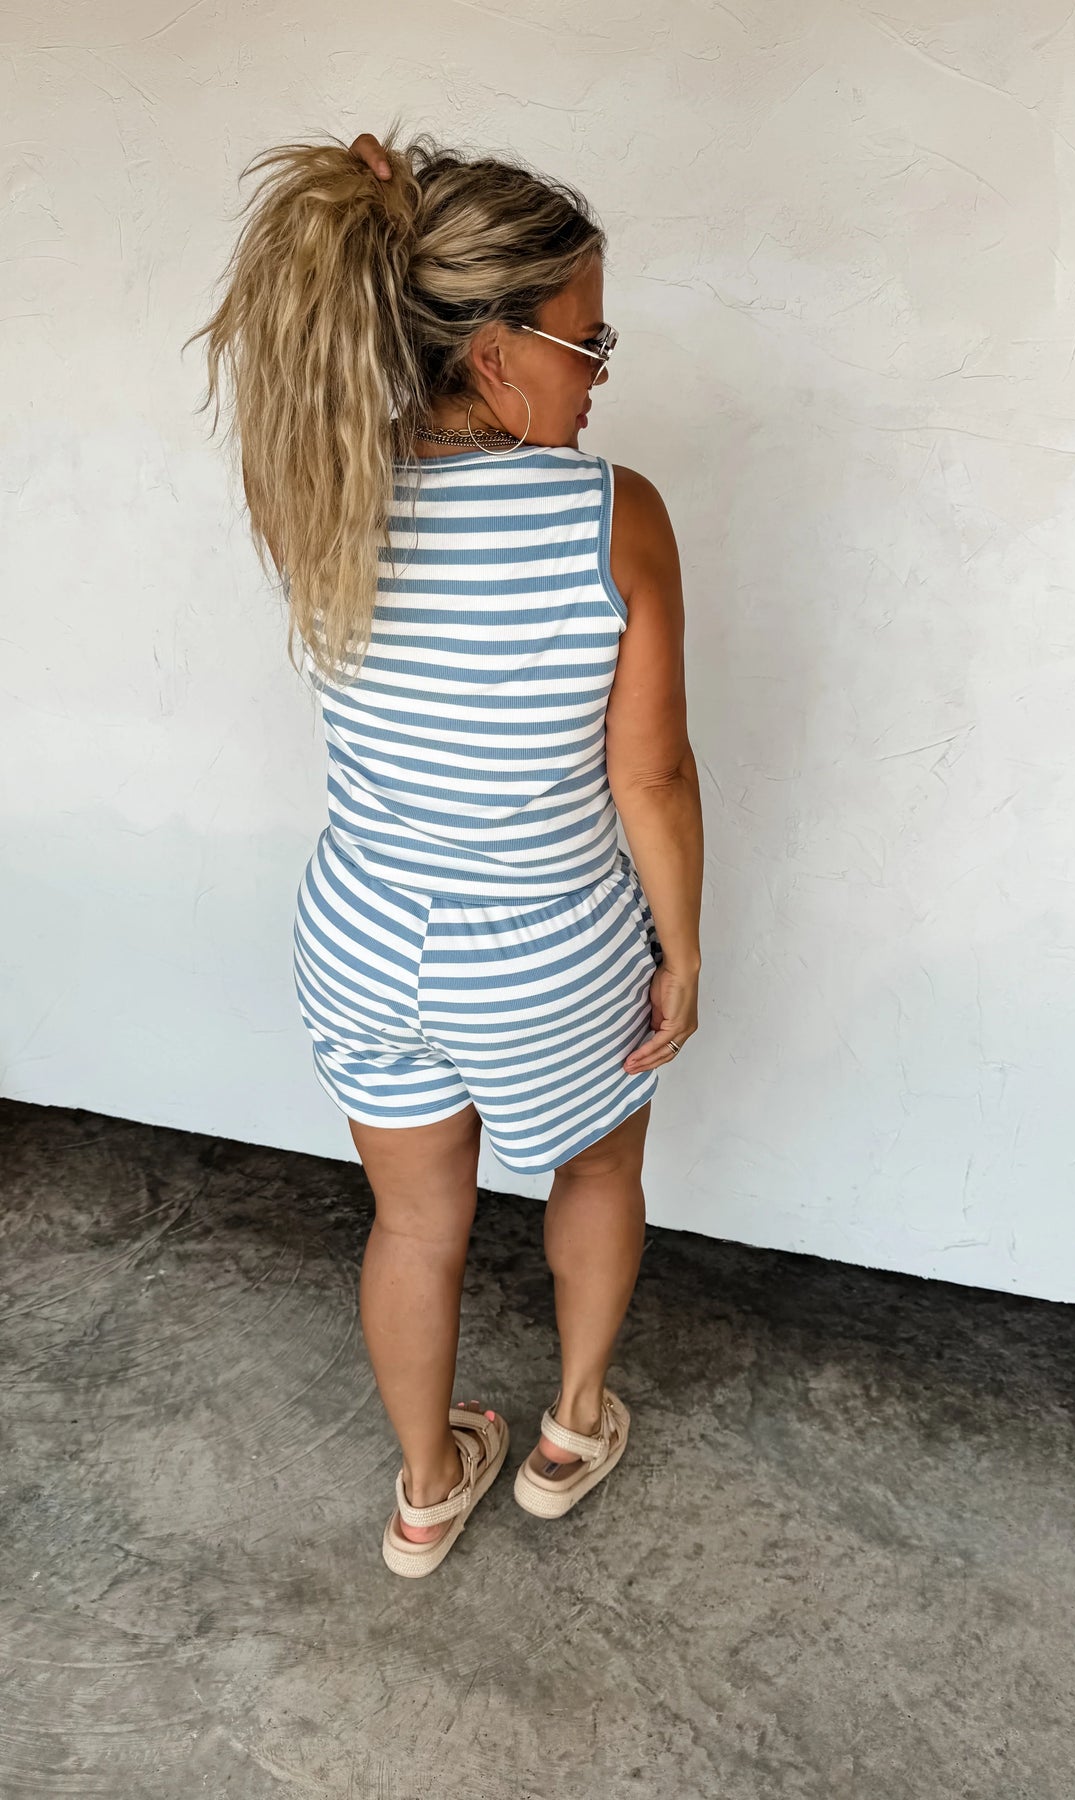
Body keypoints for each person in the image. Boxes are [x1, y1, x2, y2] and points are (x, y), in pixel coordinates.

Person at [187, 123, 703, 1577]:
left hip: (359, 938)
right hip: (543, 947)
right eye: (589, 342)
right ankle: (571, 1429)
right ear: (493, 351)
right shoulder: (613, 517)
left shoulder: (322, 491)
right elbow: (652, 776)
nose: (602, 373)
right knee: (594, 1174)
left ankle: (426, 1489)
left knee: (415, 1226)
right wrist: (681, 948)